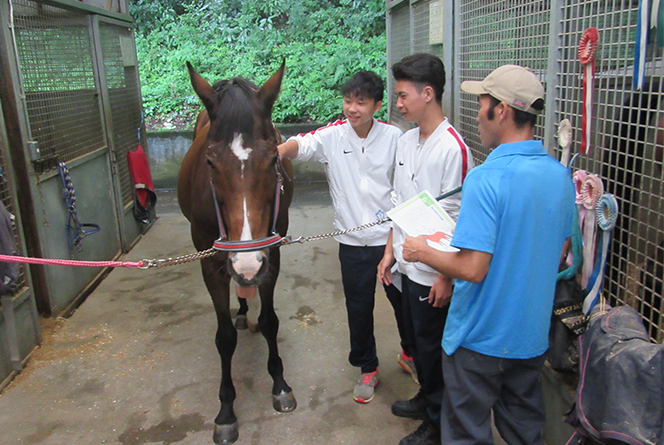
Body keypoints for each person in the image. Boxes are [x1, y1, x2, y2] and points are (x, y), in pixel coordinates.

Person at [401, 65, 576, 444]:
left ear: (503, 111)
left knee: (466, 432)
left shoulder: (485, 178)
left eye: (482, 104)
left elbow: (473, 268)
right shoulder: (559, 176)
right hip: (529, 338)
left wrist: (422, 252)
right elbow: (561, 250)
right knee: (524, 429)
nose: (477, 114)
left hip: (479, 339)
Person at [278, 71, 414, 404]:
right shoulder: (333, 137)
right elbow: (304, 145)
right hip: (353, 244)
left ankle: (409, 353)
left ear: (377, 105)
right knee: (358, 308)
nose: (352, 108)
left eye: (361, 102)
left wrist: (394, 243)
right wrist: (278, 150)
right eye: (348, 101)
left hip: (390, 242)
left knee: (405, 305)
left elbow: (405, 189)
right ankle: (367, 367)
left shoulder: (396, 138)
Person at [377, 53, 473, 445]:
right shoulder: (405, 140)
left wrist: (445, 275)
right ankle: (425, 397)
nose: (397, 104)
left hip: (431, 273)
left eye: (402, 96)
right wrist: (388, 253)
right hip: (402, 265)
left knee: (433, 350)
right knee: (414, 342)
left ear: (427, 93)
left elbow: (459, 220)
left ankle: (437, 422)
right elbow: (399, 203)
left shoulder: (454, 148)